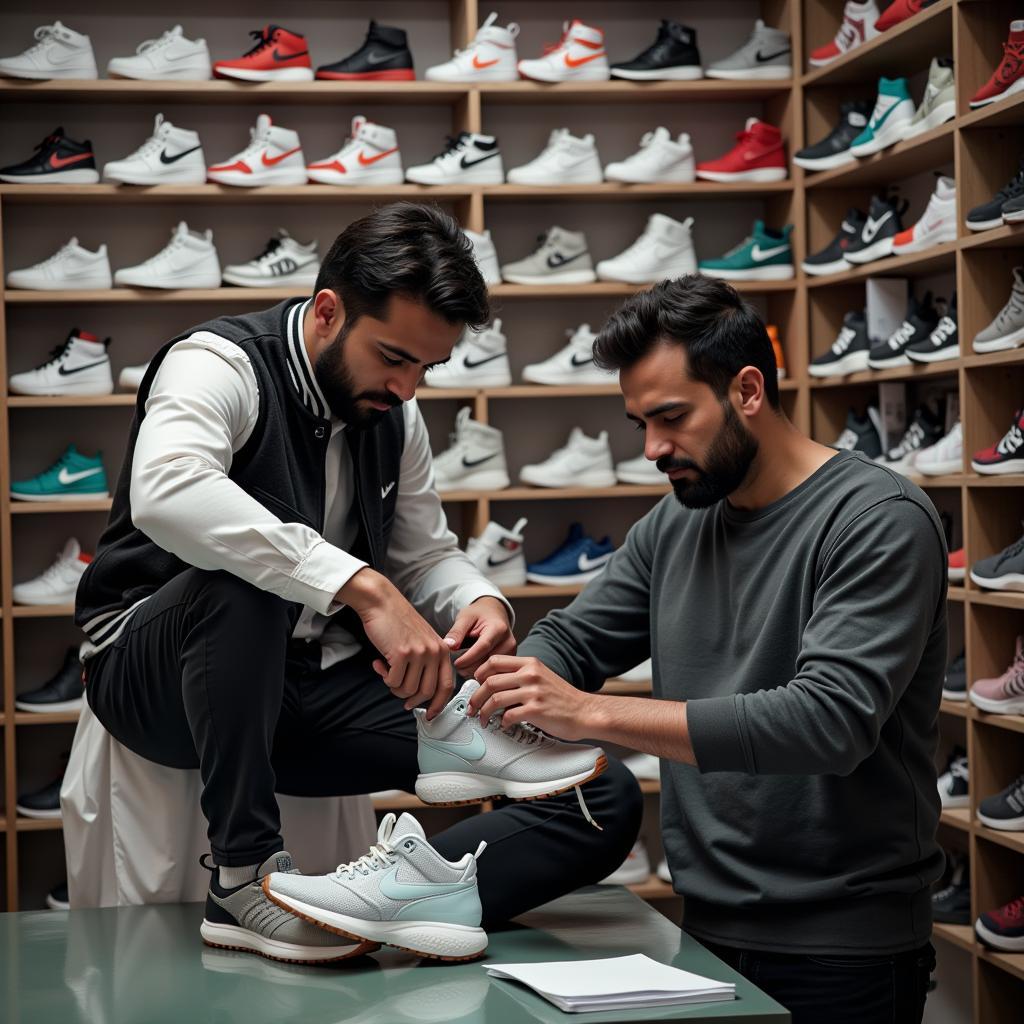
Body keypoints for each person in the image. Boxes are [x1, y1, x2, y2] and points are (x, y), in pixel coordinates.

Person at [74, 203, 640, 961]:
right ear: (329, 310)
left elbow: (426, 550)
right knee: (243, 581)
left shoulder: (394, 416)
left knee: (596, 792)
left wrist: (477, 597)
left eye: (426, 369)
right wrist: (365, 590)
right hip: (152, 680)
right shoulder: (218, 362)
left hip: (302, 687)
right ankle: (242, 879)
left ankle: (393, 897)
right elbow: (167, 489)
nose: (408, 387)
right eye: (394, 358)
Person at [469, 274, 944, 1023]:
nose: (655, 448)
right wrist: (509, 687)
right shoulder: (677, 524)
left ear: (748, 390)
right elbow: (573, 637)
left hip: (845, 948)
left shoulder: (879, 520)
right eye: (639, 425)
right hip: (707, 929)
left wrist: (588, 714)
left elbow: (826, 722)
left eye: (671, 418)